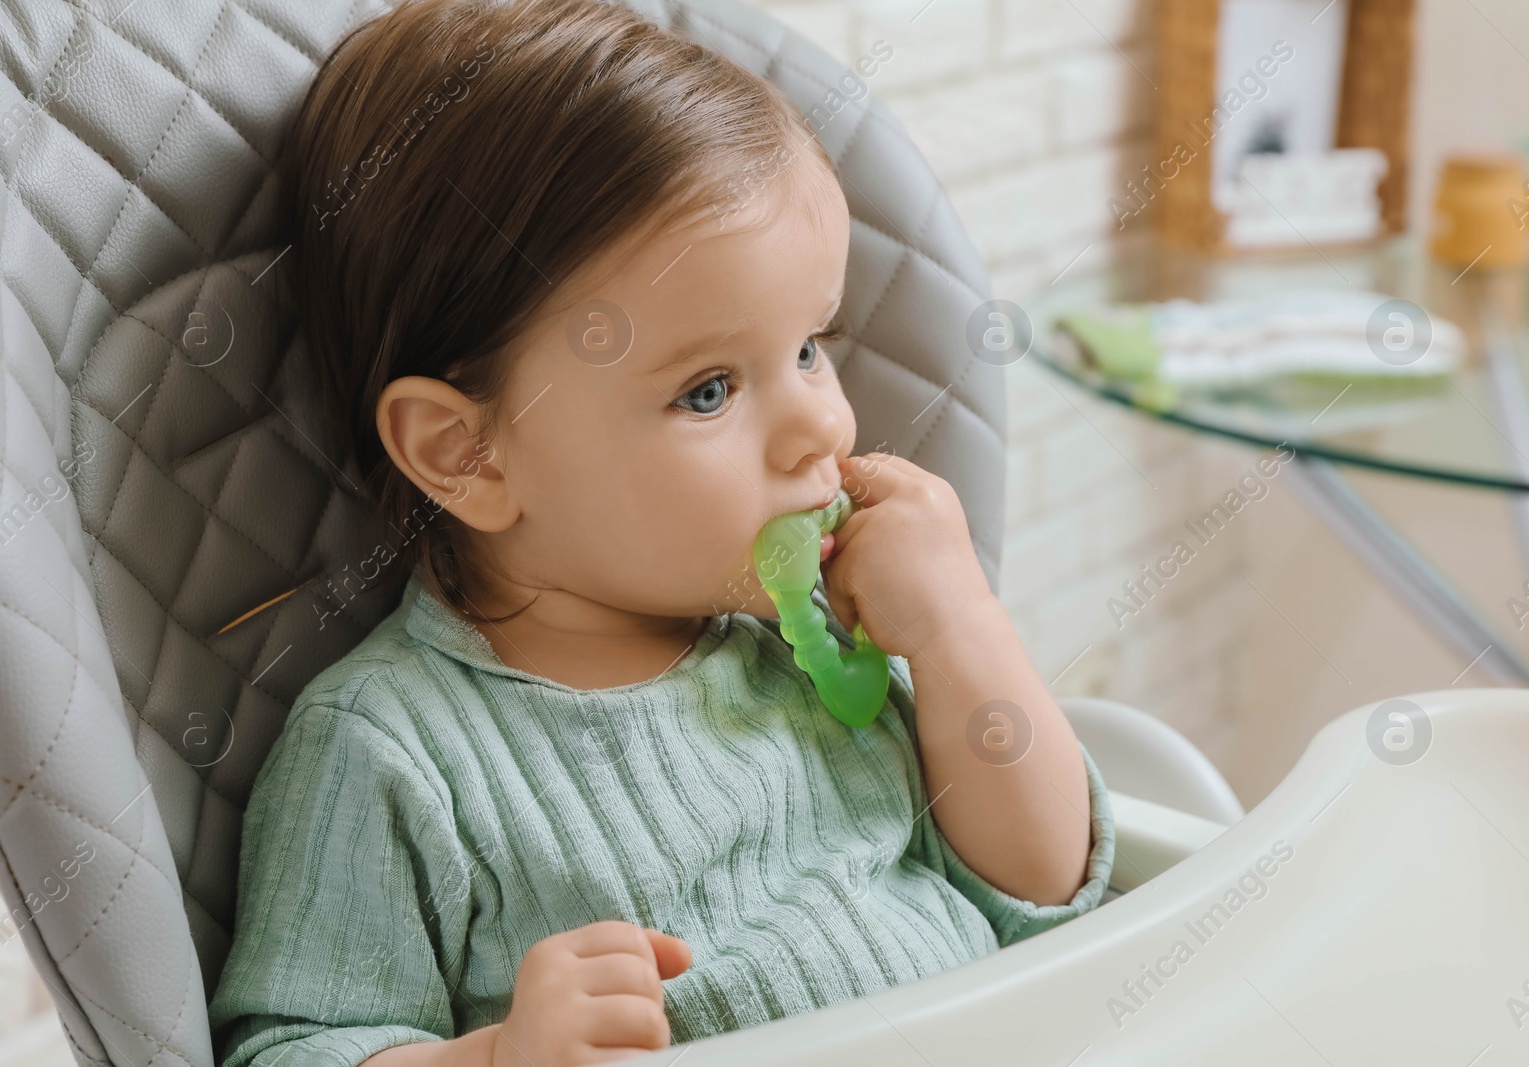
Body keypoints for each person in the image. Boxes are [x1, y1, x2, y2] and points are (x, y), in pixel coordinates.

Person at [207, 0, 1114, 1063]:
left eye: (812, 346)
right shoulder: (392, 746)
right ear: (469, 452)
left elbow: (1045, 884)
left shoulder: (816, 637)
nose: (824, 421)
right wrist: (492, 1056)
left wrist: (960, 625)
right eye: (709, 389)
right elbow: (291, 1046)